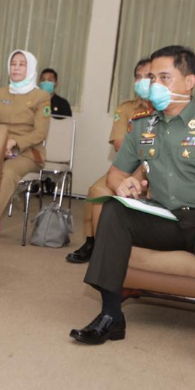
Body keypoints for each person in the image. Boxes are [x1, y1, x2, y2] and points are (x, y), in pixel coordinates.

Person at [70, 45, 195, 367]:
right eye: (152, 78)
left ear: (190, 82)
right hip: (161, 217)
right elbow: (115, 173)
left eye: (165, 77)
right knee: (114, 209)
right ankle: (111, 316)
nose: (155, 86)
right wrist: (122, 184)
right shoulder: (143, 126)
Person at [67, 58, 153, 263]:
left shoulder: (165, 108)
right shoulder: (126, 109)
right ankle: (92, 242)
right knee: (96, 190)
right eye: (138, 77)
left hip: (155, 167)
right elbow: (119, 144)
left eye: (148, 77)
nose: (142, 82)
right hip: (130, 166)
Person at [0, 50, 51, 242]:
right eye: (14, 63)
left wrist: (15, 143)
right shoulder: (0, 93)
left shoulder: (41, 96)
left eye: (22, 64)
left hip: (29, 153)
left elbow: (40, 133)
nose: (16, 67)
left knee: (7, 172)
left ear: (30, 69)